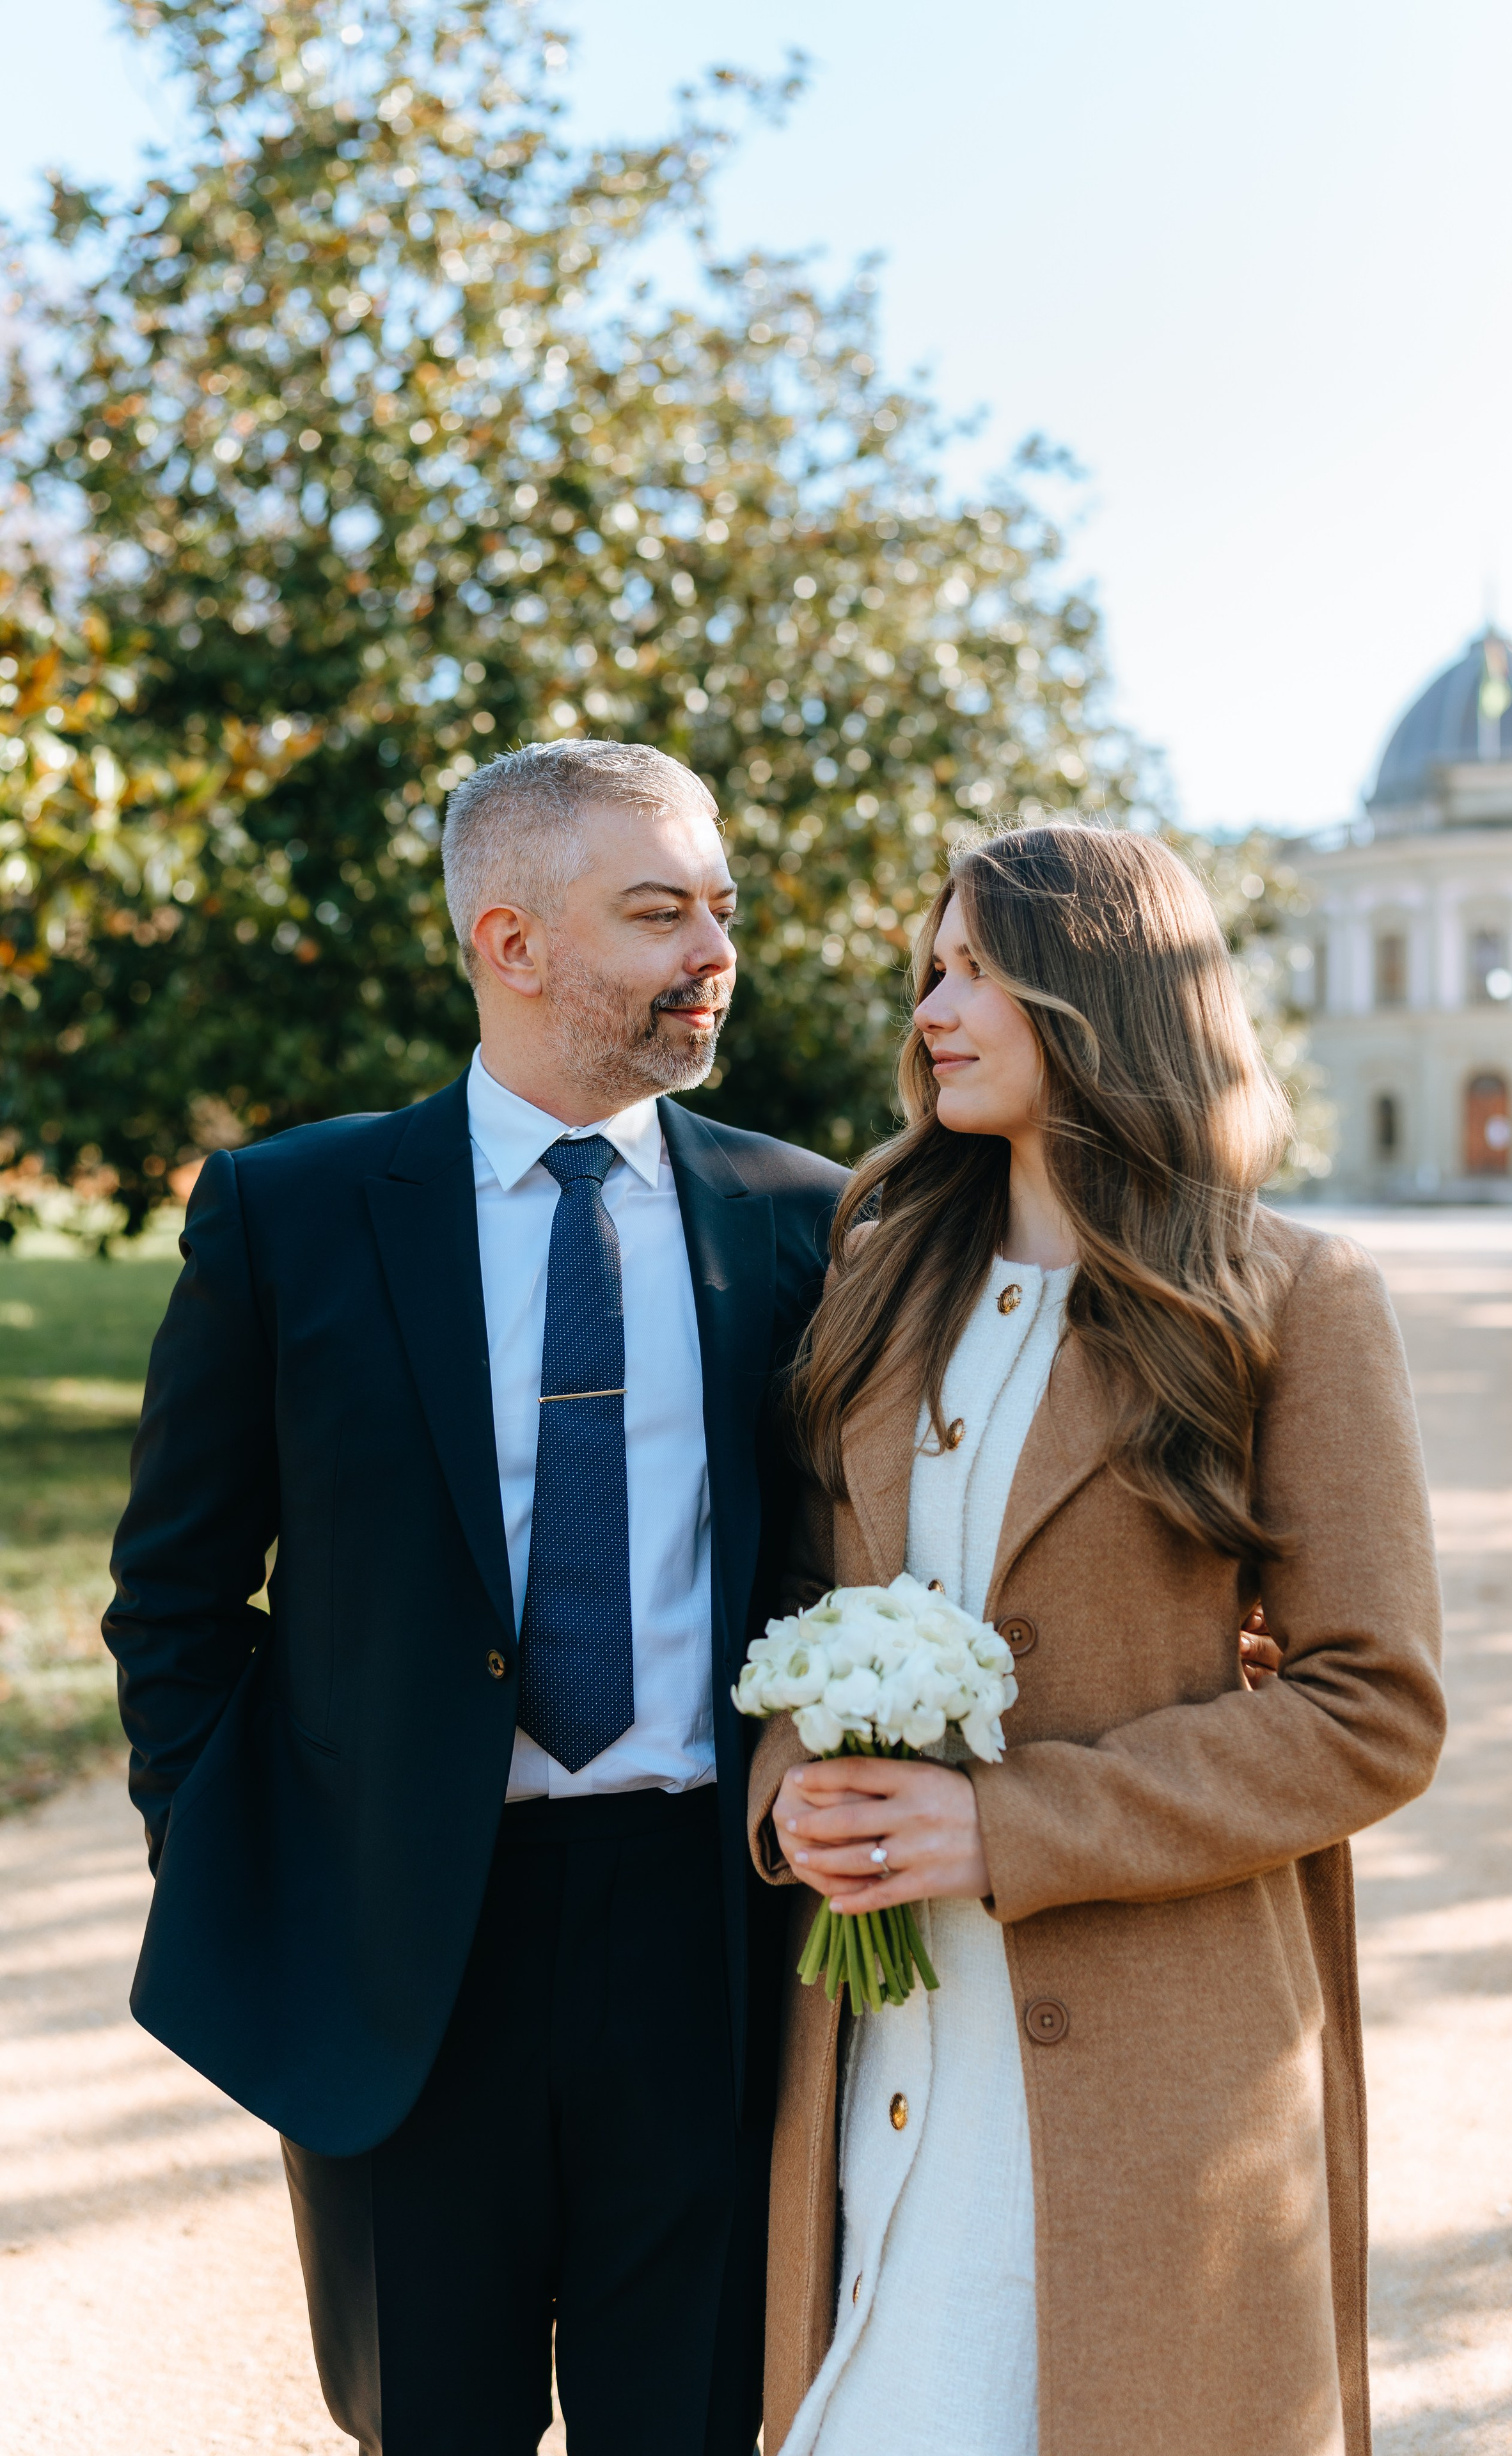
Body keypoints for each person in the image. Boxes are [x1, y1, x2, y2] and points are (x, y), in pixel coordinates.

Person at [104, 739, 847, 2456]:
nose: (711, 952)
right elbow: (176, 1593)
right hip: (400, 1949)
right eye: (657, 912)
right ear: (510, 942)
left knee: (700, 2420)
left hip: (707, 1930)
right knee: (430, 2422)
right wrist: (241, 1860)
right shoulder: (285, 1212)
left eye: (720, 908)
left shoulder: (806, 1221)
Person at [746, 821, 1446, 2456]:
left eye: (979, 966)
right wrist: (791, 1786)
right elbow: (789, 1602)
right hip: (873, 2032)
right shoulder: (873, 1280)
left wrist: (1003, 1824)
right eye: (930, 965)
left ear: (1103, 991)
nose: (933, 1002)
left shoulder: (1290, 1297)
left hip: (1152, 2065)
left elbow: (1372, 1708)